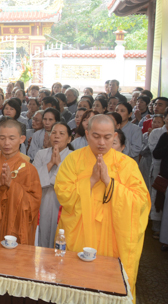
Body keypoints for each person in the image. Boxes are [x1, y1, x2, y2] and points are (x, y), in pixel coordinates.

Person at [55, 115, 150, 299]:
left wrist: (109, 182)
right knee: (76, 282)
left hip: (113, 235)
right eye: (96, 136)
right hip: (81, 233)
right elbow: (63, 193)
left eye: (107, 137)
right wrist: (91, 181)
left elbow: (140, 201)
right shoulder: (73, 160)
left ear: (114, 136)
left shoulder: (127, 164)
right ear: (87, 134)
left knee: (109, 287)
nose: (101, 142)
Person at [33, 122, 73, 248]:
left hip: (61, 202)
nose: (57, 136)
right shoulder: (41, 154)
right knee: (42, 235)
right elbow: (34, 180)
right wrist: (50, 163)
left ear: (69, 139)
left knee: (60, 234)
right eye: (54, 133)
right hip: (43, 199)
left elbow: (70, 182)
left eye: (61, 134)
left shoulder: (73, 156)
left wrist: (60, 164)